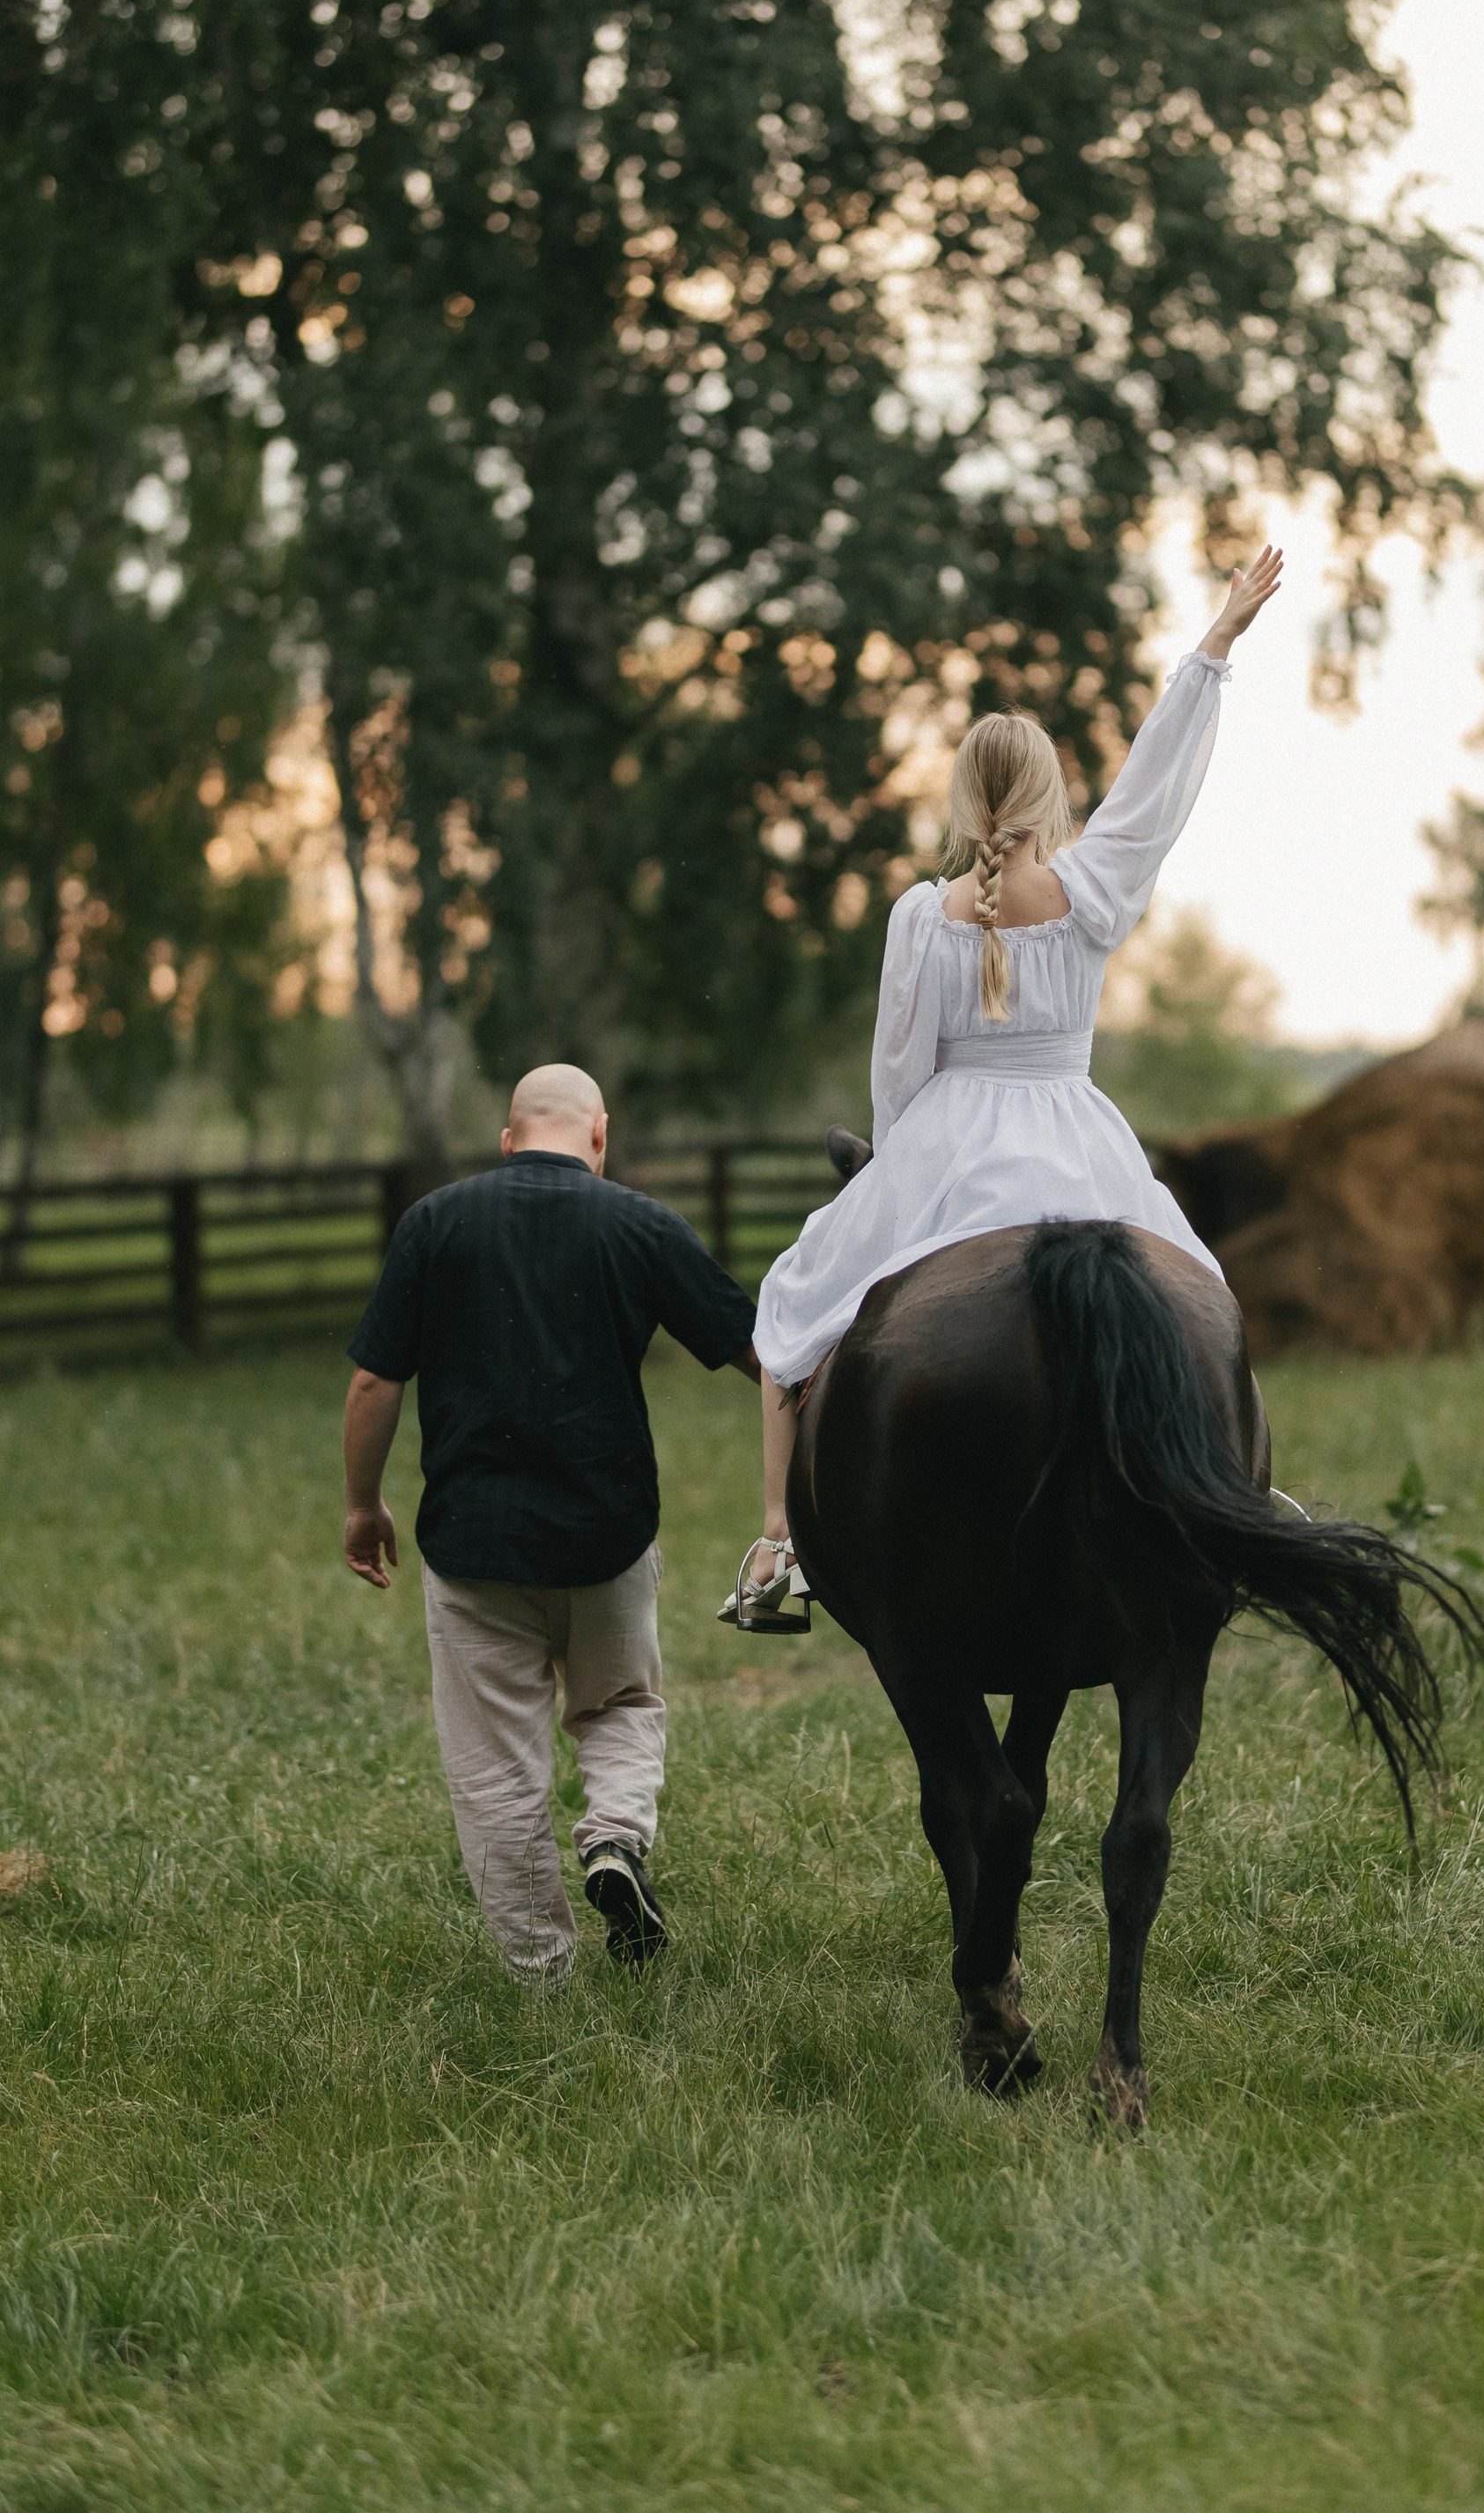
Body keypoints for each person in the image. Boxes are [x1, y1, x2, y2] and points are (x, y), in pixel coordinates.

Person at [727, 545, 1283, 1620]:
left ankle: (777, 1547)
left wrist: (899, 1175)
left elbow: (897, 1071)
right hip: (1077, 1138)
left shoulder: (916, 916)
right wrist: (1211, 647)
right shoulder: (1090, 890)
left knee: (792, 1304)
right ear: (1046, 791)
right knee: (1206, 1304)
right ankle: (1256, 1496)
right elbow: (1153, 789)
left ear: (960, 795)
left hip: (944, 1138)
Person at [344, 1063, 760, 1978]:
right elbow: (758, 1352)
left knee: (494, 1767)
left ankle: (541, 1973)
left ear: (507, 1138)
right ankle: (614, 1840)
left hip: (470, 1541)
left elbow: (376, 1379)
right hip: (605, 1535)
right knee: (617, 1702)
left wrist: (360, 1503)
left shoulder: (435, 1222)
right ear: (599, 1136)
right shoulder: (641, 1225)